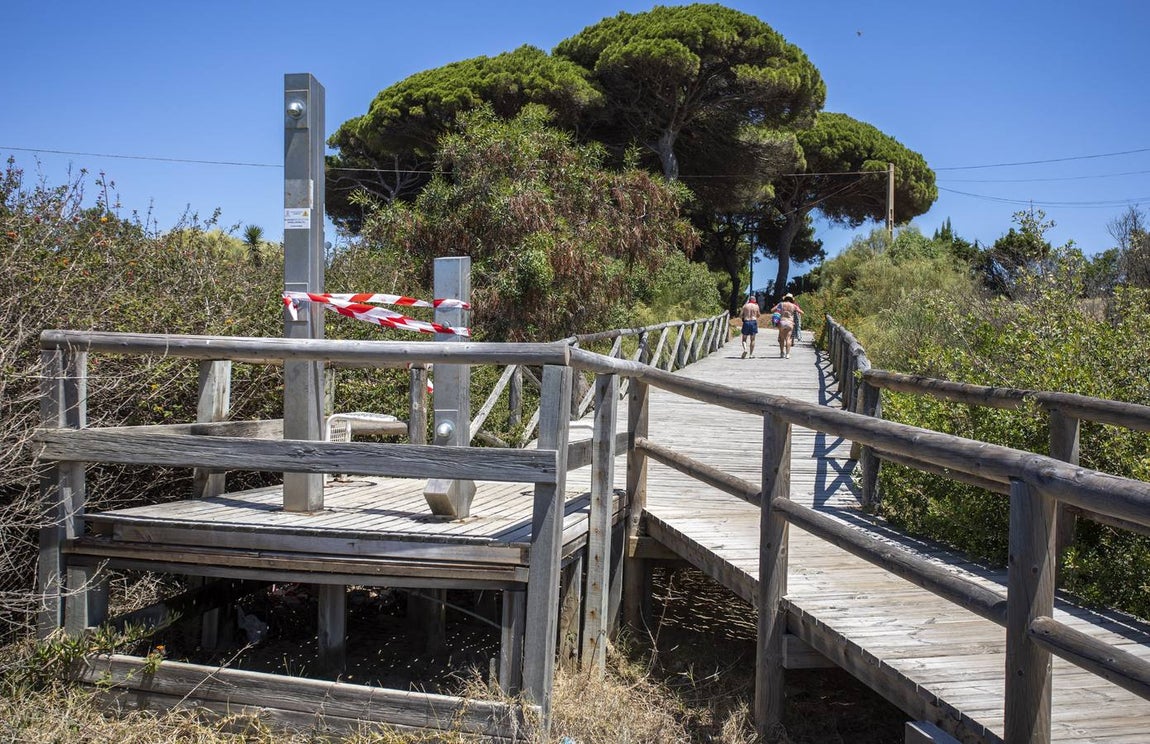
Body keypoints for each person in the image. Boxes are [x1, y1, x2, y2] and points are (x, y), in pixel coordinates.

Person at [771, 293, 804, 359]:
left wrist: (778, 311)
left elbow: (772, 310)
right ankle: (787, 354)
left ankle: (782, 353)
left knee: (781, 339)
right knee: (788, 339)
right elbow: (802, 312)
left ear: (785, 298)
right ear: (792, 299)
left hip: (782, 322)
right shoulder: (794, 305)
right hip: (790, 323)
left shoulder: (781, 304)